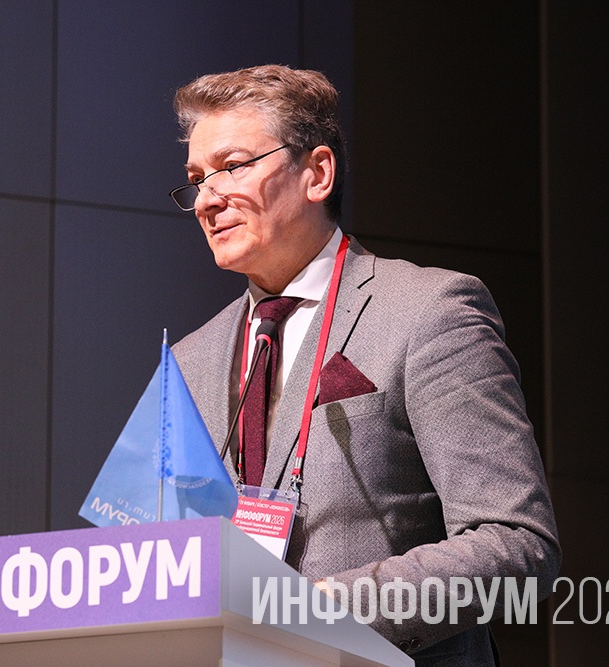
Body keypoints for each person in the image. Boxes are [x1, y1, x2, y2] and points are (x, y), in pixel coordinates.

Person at [168, 64, 560, 666]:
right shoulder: (189, 359)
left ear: (318, 173)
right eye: (196, 179)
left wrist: (319, 611)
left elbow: (517, 546)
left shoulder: (427, 311)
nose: (206, 199)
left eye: (233, 166)